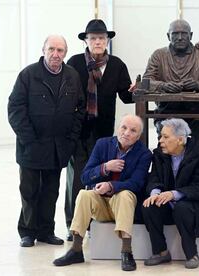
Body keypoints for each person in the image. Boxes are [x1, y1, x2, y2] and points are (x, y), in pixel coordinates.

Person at [8, 35, 85, 247]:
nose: (55, 54)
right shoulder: (28, 75)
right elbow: (15, 108)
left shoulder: (72, 76)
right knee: (30, 190)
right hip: (31, 146)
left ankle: (45, 231)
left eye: (60, 50)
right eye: (51, 49)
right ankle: (27, 232)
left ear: (65, 53)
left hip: (58, 147)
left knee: (51, 191)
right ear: (44, 50)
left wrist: (71, 138)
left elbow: (80, 108)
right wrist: (28, 139)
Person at [53, 114, 152, 271]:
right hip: (101, 204)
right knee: (84, 194)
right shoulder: (102, 144)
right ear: (118, 128)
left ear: (138, 136)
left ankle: (127, 252)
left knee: (125, 194)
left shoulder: (144, 154)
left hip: (123, 206)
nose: (126, 133)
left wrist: (110, 186)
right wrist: (105, 167)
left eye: (133, 131)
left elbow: (137, 184)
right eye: (124, 127)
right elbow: (85, 177)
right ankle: (76, 249)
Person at [64, 19, 134, 241]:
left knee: (99, 175)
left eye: (102, 38)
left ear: (107, 41)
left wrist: (137, 91)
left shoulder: (117, 65)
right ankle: (73, 226)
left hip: (104, 132)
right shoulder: (74, 63)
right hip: (78, 129)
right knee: (76, 178)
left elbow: (126, 95)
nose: (98, 42)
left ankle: (94, 221)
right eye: (93, 38)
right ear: (86, 40)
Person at [142, 118, 199, 269]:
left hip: (194, 204)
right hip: (168, 202)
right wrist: (155, 192)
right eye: (160, 136)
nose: (160, 141)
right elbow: (154, 177)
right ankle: (161, 252)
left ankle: (191, 253)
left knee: (182, 208)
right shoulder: (160, 154)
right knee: (150, 205)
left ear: (180, 140)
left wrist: (175, 194)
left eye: (165, 137)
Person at [142, 19, 199, 154]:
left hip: (198, 112)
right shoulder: (158, 55)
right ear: (168, 36)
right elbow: (146, 80)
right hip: (167, 111)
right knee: (166, 148)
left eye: (184, 33)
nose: (180, 37)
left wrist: (198, 84)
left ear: (191, 35)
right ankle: (166, 174)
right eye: (175, 34)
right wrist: (163, 86)